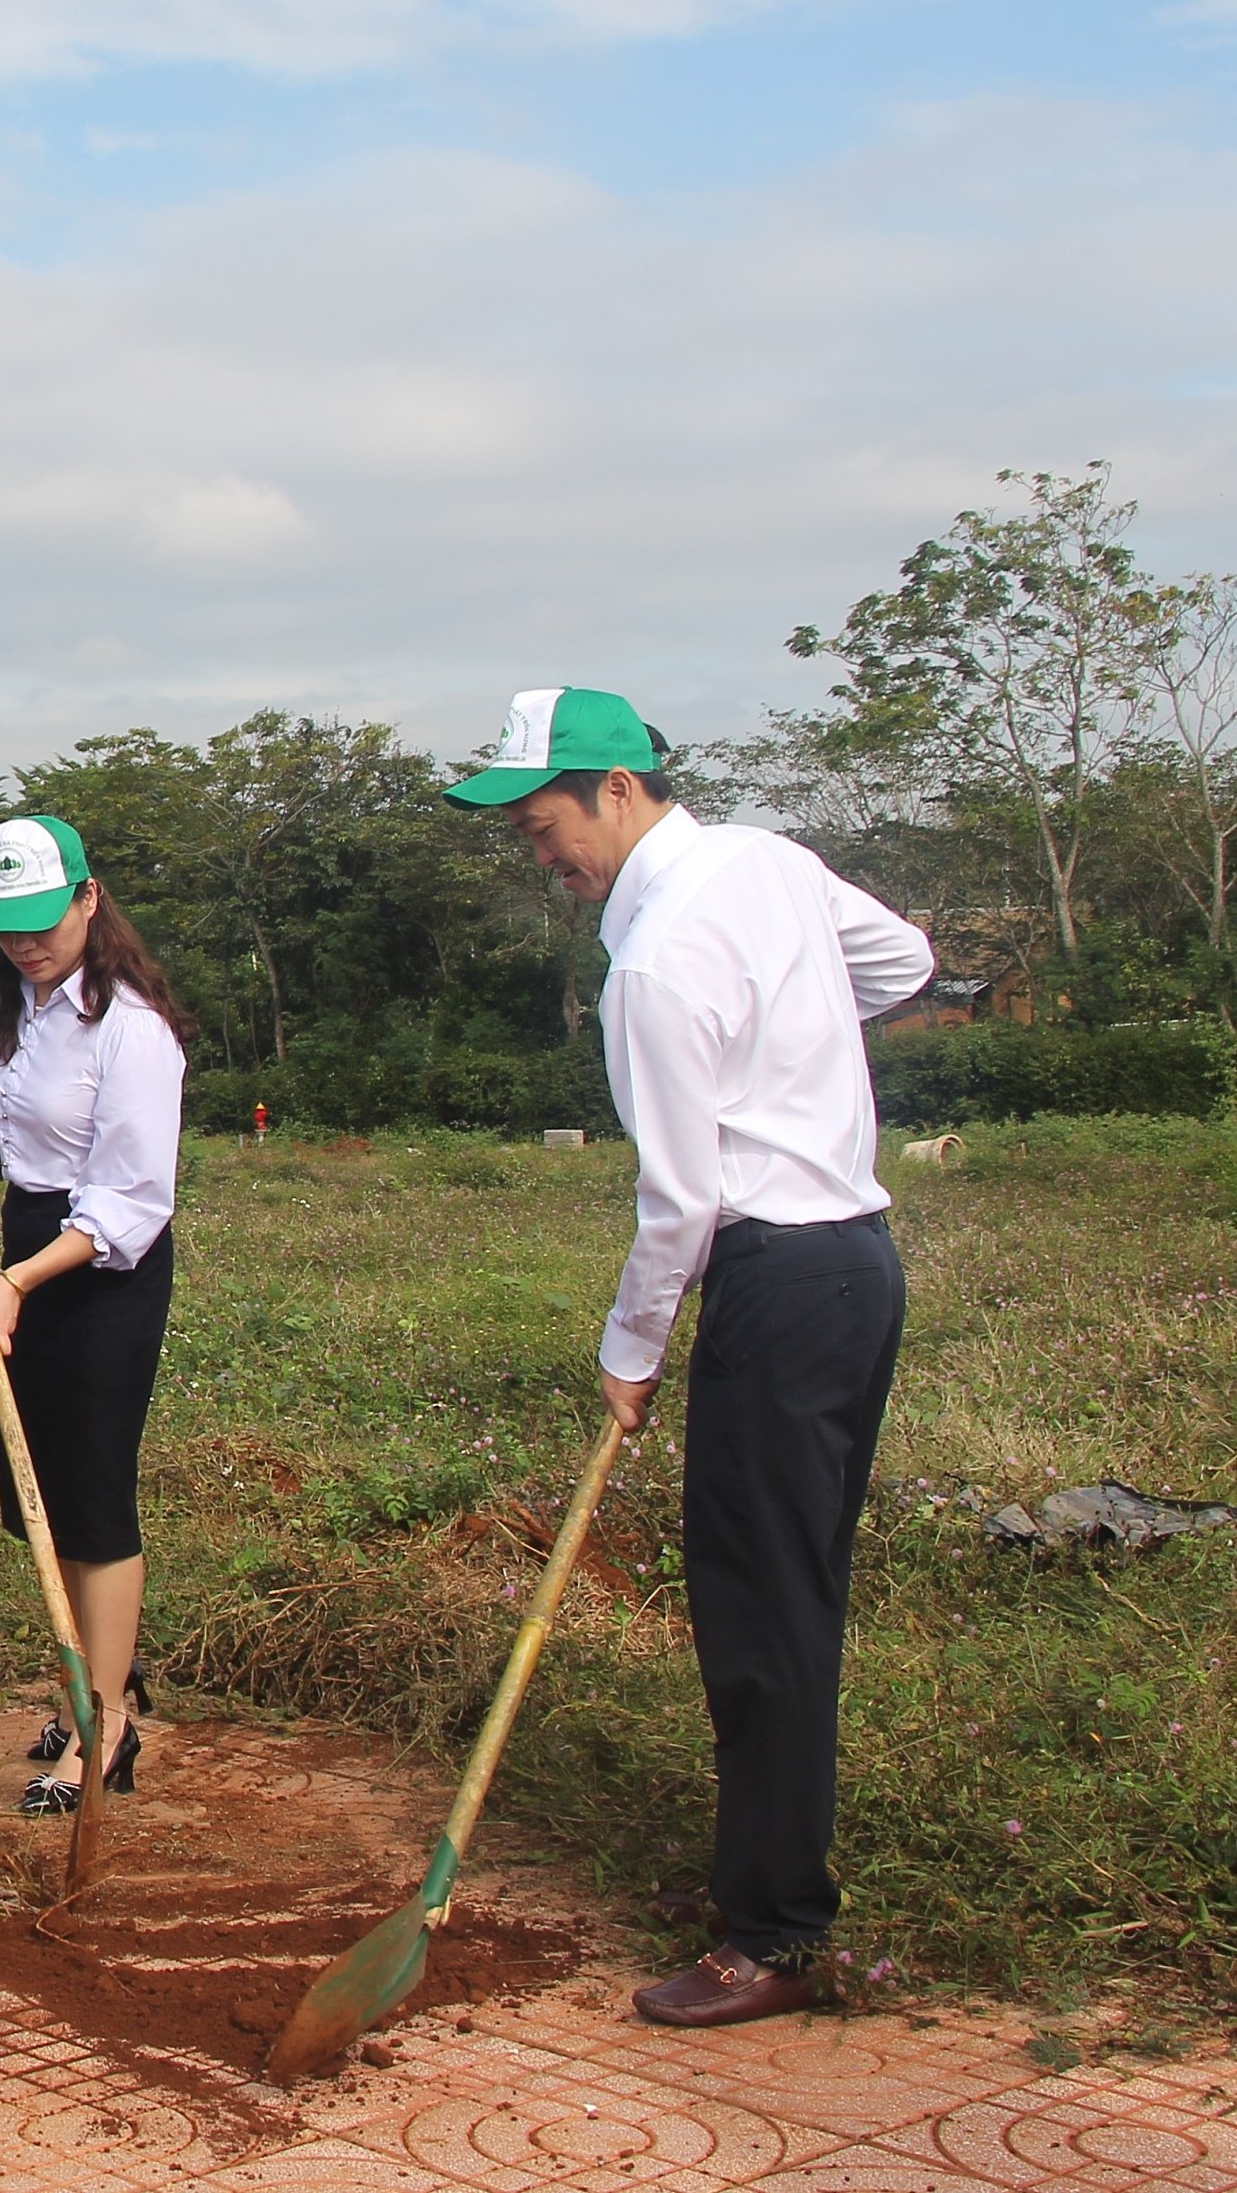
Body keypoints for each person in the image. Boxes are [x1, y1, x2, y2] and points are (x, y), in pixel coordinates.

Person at [445, 685, 932, 2029]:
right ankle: (778, 1878)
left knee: (756, 1609)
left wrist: (627, 1350)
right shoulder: (770, 862)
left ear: (614, 786)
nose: (537, 856)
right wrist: (795, 1041)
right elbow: (904, 965)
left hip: (775, 1277)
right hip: (855, 1265)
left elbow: (682, 1197)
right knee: (793, 1587)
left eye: (541, 825)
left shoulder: (653, 961)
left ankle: (773, 1931)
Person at [0, 814, 191, 1813]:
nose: (26, 942)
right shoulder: (13, 1007)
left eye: (43, 920)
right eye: (6, 926)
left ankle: (107, 1730)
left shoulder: (131, 1029)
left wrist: (23, 1278)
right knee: (40, 1491)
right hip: (29, 1244)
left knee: (94, 1498)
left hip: (98, 1268)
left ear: (89, 900)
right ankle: (92, 1686)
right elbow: (20, 1123)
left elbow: (127, 1200)